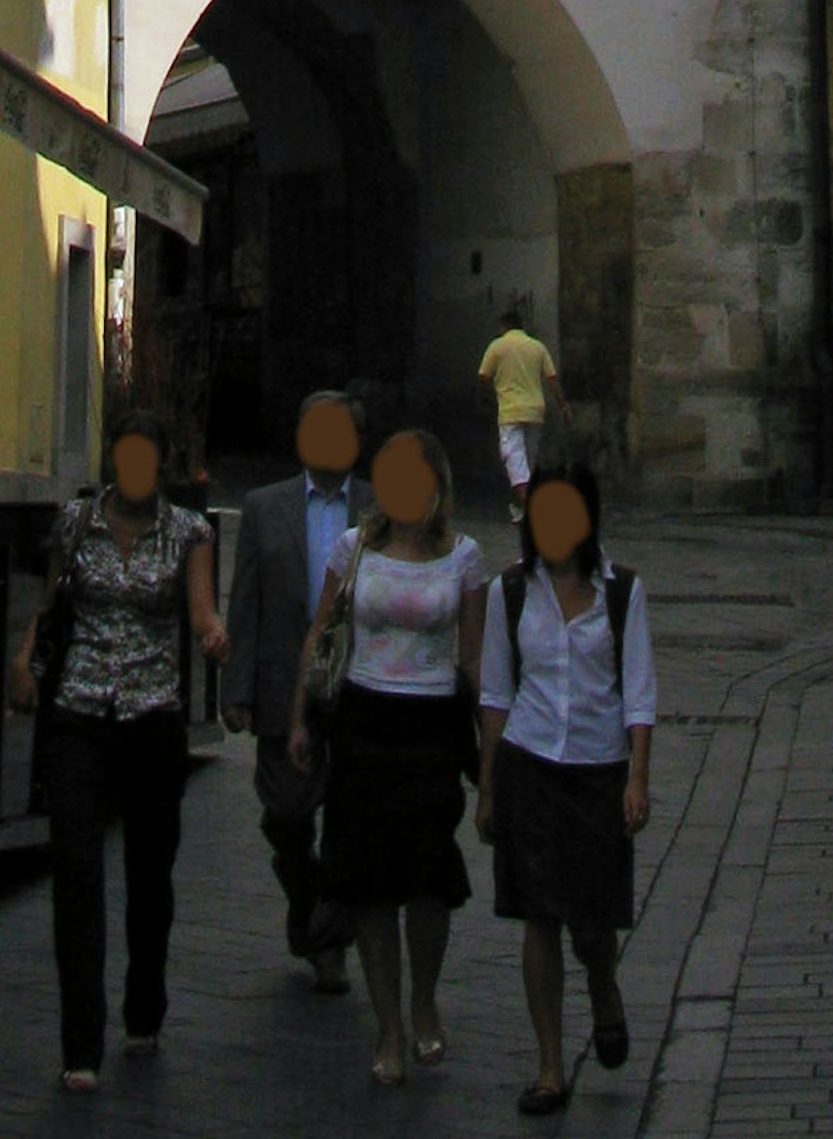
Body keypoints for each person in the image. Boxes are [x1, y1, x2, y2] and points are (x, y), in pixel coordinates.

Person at [14, 417, 226, 1093]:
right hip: (79, 708)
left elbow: (198, 608)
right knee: (76, 868)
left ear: (163, 468)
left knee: (149, 874)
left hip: (151, 713)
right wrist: (25, 660)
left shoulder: (188, 533)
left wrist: (214, 632)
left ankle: (145, 1004)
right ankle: (81, 1043)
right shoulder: (78, 520)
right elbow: (52, 602)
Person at [296, 423, 486, 1088]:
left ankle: (423, 998)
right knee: (371, 881)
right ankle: (387, 1027)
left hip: (432, 723)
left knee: (428, 879)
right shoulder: (355, 547)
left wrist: (489, 754)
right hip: (364, 718)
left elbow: (473, 659)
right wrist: (300, 718)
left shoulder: (464, 557)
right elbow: (321, 632)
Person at [476, 465, 654, 1112]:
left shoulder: (622, 592)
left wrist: (637, 775)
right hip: (530, 764)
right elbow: (496, 692)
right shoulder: (511, 592)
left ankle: (603, 984)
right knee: (539, 916)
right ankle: (550, 1065)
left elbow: (638, 691)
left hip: (598, 769)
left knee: (591, 922)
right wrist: (489, 786)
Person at [223, 389, 365, 989]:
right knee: (285, 814)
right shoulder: (264, 506)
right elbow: (246, 599)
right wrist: (237, 685)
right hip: (285, 682)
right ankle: (307, 898)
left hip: (362, 689)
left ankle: (329, 941)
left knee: (351, 825)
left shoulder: (381, 506)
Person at [478, 297, 555, 495]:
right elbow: (552, 379)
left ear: (504, 327)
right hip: (535, 411)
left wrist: (487, 397)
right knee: (527, 462)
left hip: (510, 412)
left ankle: (528, 506)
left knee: (515, 462)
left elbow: (483, 376)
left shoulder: (497, 346)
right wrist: (564, 406)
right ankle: (521, 506)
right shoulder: (538, 347)